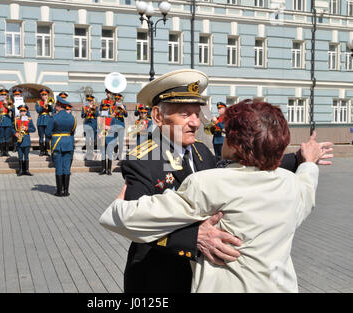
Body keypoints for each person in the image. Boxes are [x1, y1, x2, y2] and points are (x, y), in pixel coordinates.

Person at [112, 69, 334, 293]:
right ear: (158, 116)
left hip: (202, 274)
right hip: (162, 276)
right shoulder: (142, 160)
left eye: (197, 114)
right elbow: (137, 223)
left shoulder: (200, 151)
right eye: (185, 114)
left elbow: (232, 172)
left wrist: (296, 159)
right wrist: (192, 237)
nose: (195, 123)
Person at [46, 97, 76, 197]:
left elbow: (47, 132)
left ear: (58, 106)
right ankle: (66, 191)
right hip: (68, 143)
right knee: (66, 168)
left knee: (59, 167)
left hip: (57, 144)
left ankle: (59, 191)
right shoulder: (72, 118)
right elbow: (72, 131)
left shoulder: (54, 117)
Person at [14, 104, 36, 176]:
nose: (23, 112)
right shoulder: (16, 119)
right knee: (20, 156)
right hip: (19, 140)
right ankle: (20, 170)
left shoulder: (29, 120)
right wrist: (15, 133)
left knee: (26, 156)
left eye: (24, 111)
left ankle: (26, 170)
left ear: (26, 112)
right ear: (19, 112)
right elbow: (12, 129)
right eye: (21, 111)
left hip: (26, 139)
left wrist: (27, 128)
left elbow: (33, 129)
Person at [99, 91, 115, 175]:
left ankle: (109, 169)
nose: (105, 110)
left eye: (106, 109)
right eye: (103, 109)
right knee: (103, 153)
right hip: (102, 136)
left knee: (109, 153)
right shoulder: (100, 118)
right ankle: (103, 169)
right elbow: (98, 127)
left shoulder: (112, 118)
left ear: (108, 109)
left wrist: (110, 127)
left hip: (110, 136)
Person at [35, 89, 54, 156]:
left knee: (48, 137)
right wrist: (43, 106)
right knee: (41, 138)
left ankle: (46, 151)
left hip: (48, 120)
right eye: (43, 94)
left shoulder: (49, 101)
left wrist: (49, 104)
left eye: (45, 94)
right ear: (41, 95)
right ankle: (41, 151)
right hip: (40, 121)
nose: (44, 96)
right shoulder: (38, 102)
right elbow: (38, 110)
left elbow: (52, 110)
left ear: (47, 95)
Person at [0, 89, 13, 157]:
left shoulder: (9, 102)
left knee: (7, 137)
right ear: (0, 95)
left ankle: (6, 151)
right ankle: (2, 152)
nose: (4, 96)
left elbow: (12, 109)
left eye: (5, 94)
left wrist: (6, 104)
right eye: (2, 94)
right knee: (1, 137)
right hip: (0, 121)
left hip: (7, 121)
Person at [111, 93, 128, 160]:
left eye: (118, 99)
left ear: (120, 99)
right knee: (114, 142)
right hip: (114, 125)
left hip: (121, 125)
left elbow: (126, 115)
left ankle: (120, 155)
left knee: (121, 142)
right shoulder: (112, 106)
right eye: (116, 99)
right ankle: (115, 154)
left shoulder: (123, 106)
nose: (117, 100)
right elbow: (109, 115)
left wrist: (123, 109)